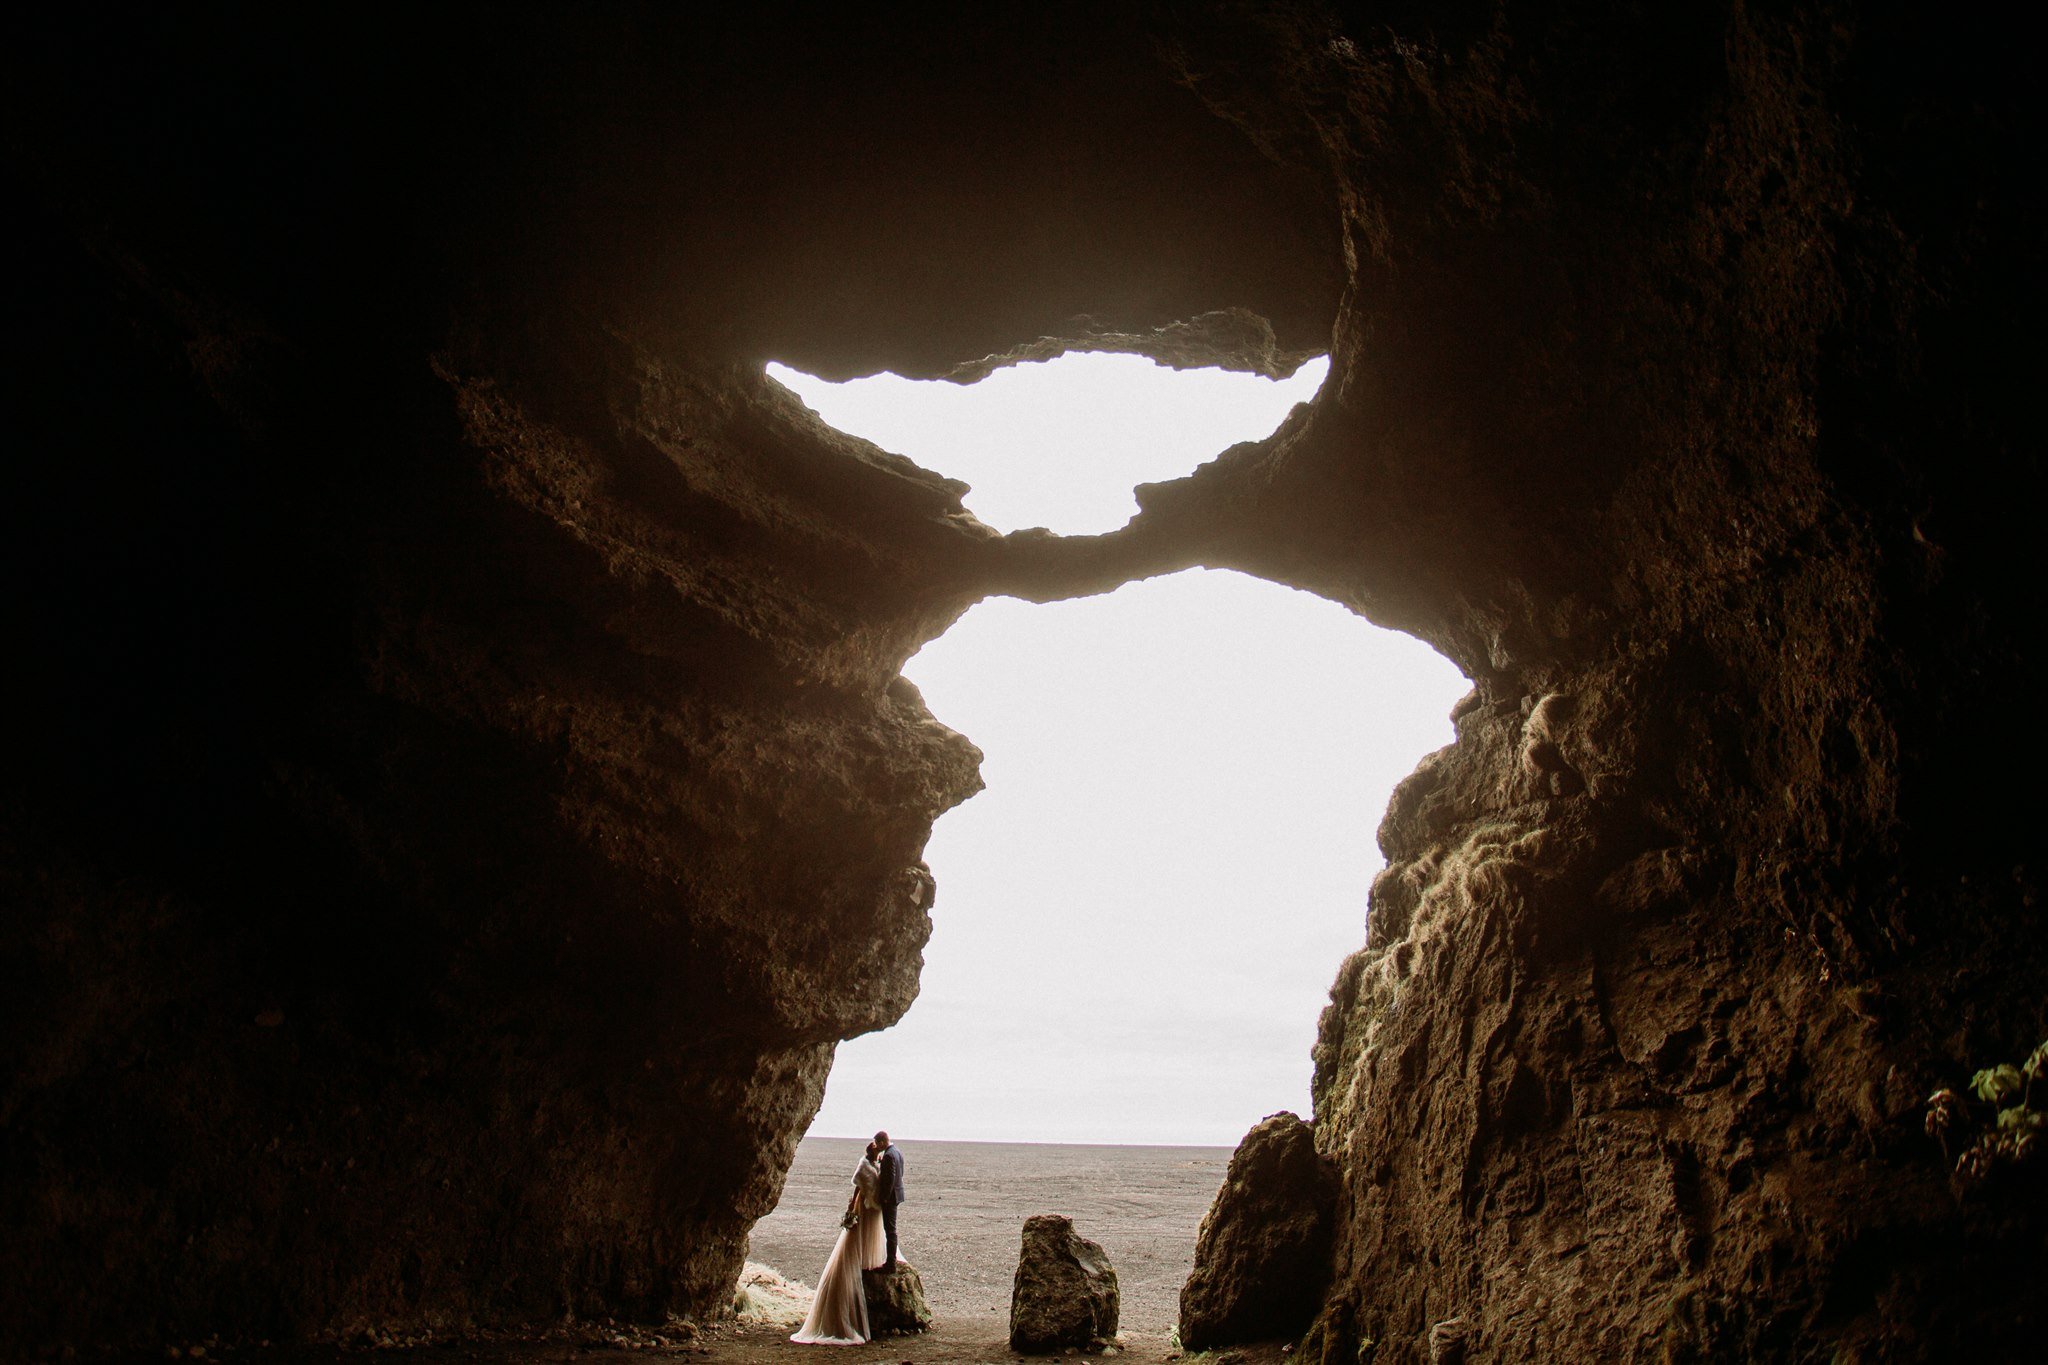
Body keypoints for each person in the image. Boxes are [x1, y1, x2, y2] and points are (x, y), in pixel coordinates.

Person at [790, 1142, 889, 1345]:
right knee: (855, 1236)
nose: (878, 1153)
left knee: (866, 1234)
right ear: (873, 1153)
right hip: (863, 1204)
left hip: (871, 1207)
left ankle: (868, 1257)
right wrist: (853, 1207)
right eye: (877, 1151)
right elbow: (859, 1188)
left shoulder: (876, 1164)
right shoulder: (864, 1166)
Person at [874, 1129, 907, 1272]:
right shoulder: (897, 1152)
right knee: (891, 1229)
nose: (877, 1147)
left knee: (890, 1230)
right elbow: (901, 1173)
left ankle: (891, 1263)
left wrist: (885, 1198)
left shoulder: (888, 1155)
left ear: (882, 1141)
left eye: (877, 1144)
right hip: (898, 1194)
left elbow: (890, 1179)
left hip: (891, 1197)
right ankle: (891, 1261)